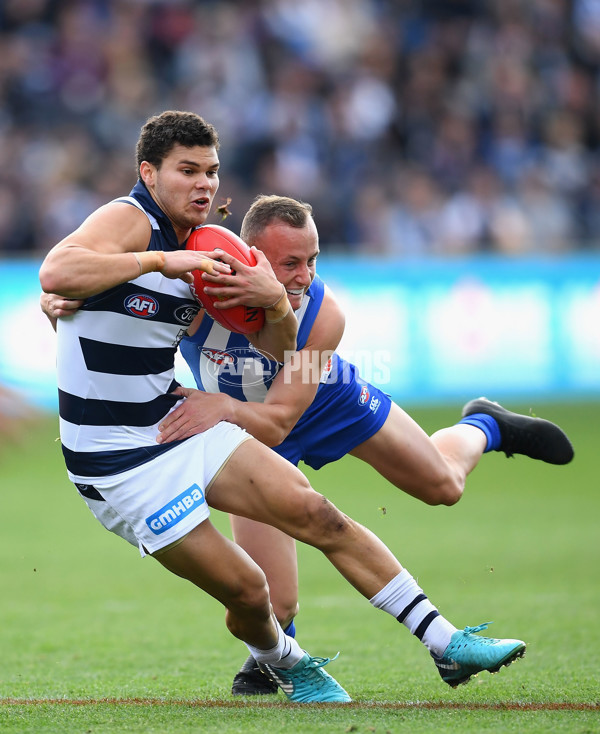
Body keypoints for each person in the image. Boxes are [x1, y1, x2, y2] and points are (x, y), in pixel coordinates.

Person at [39, 111, 530, 702]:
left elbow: (281, 354)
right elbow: (57, 269)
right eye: (187, 170)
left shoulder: (211, 252)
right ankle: (283, 661)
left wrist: (274, 302)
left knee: (322, 514)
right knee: (252, 591)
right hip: (118, 460)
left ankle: (446, 642)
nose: (204, 184)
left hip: (204, 417)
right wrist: (151, 266)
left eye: (212, 172)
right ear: (149, 172)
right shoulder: (130, 219)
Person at [154, 194, 573, 695]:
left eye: (312, 260)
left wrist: (220, 407)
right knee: (272, 606)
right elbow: (117, 297)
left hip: (325, 402)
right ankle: (271, 660)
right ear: (249, 255)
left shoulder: (324, 315)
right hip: (248, 434)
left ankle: (484, 425)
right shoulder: (194, 296)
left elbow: (281, 419)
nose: (305, 276)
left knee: (443, 484)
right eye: (290, 263)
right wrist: (68, 302)